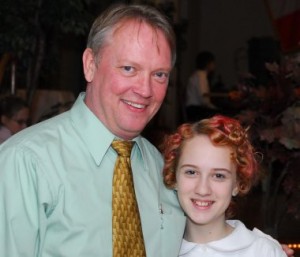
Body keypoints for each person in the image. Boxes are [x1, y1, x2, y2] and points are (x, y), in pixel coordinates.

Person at [0, 3, 185, 257]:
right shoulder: (25, 163)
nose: (145, 90)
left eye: (160, 74)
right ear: (90, 64)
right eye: (129, 68)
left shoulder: (160, 167)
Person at [162, 115, 288, 257]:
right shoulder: (155, 249)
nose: (202, 189)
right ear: (173, 177)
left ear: (237, 184)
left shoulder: (263, 252)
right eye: (191, 172)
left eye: (219, 176)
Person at [185, 51, 219, 122]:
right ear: (208, 63)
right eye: (213, 62)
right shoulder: (201, 75)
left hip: (193, 109)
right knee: (220, 115)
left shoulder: (198, 74)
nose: (214, 65)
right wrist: (212, 107)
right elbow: (203, 97)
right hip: (195, 110)